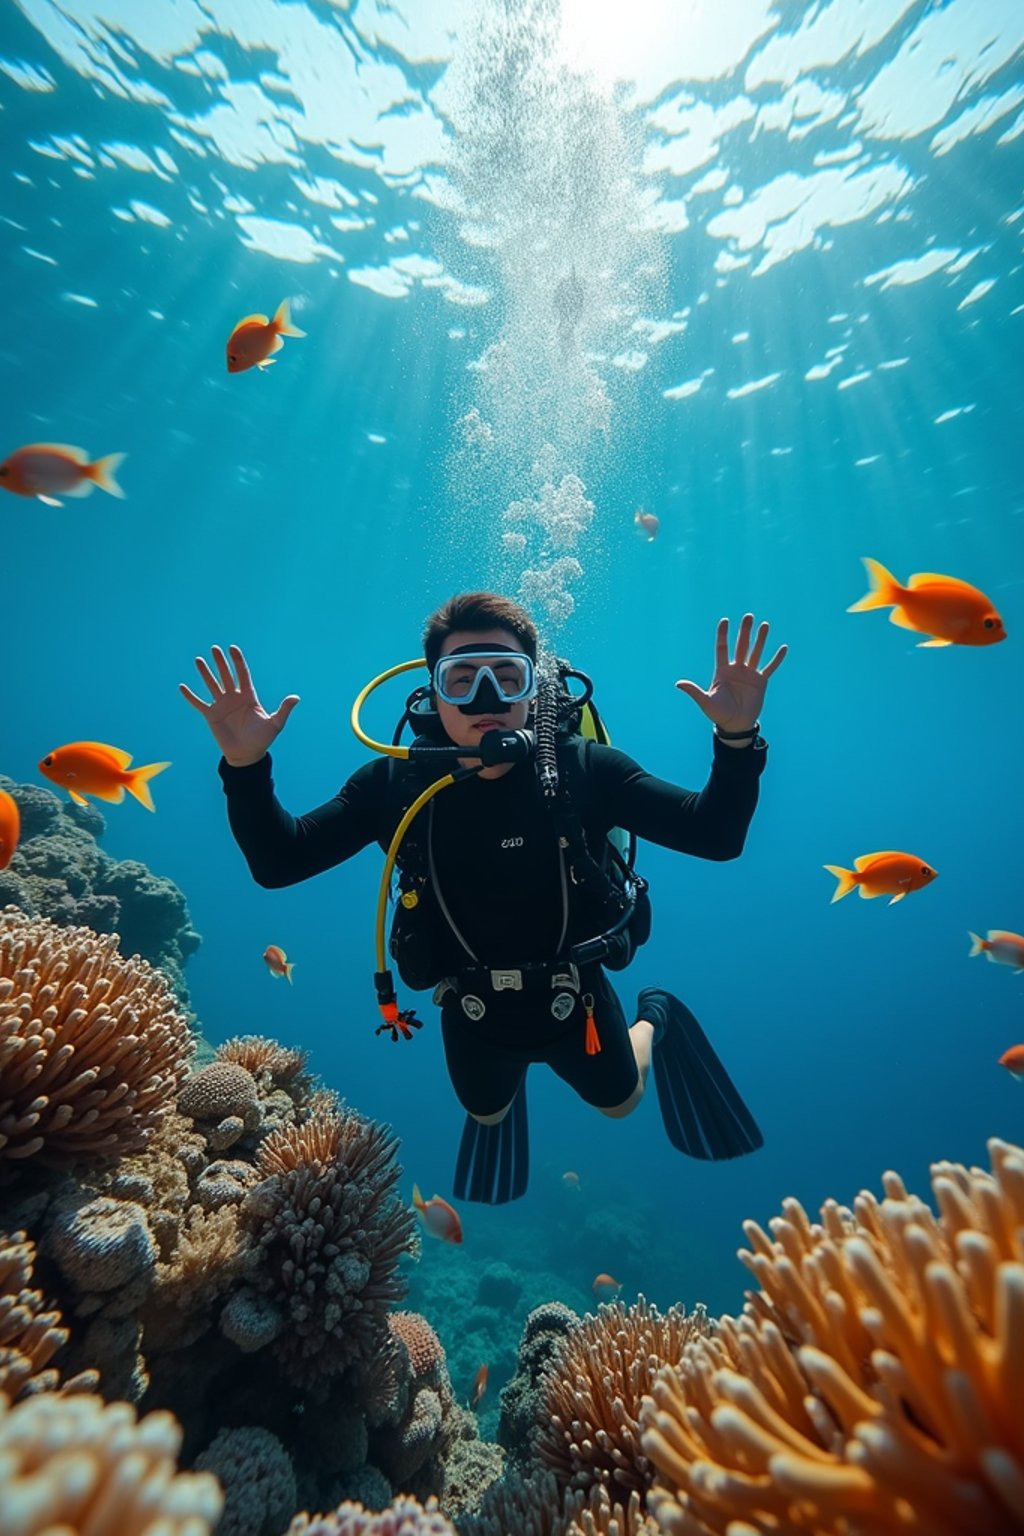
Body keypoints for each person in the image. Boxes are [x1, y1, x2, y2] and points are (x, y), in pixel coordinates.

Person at [181, 592, 786, 1203]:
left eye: (507, 676)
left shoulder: (585, 770)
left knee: (622, 1104)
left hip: (573, 1000)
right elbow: (279, 863)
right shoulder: (395, 785)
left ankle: (656, 1015)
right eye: (463, 679)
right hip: (471, 1011)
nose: (487, 700)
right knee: (488, 1112)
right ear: (433, 691)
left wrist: (737, 741)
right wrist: (246, 765)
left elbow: (715, 836)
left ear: (533, 688)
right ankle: (510, 1088)